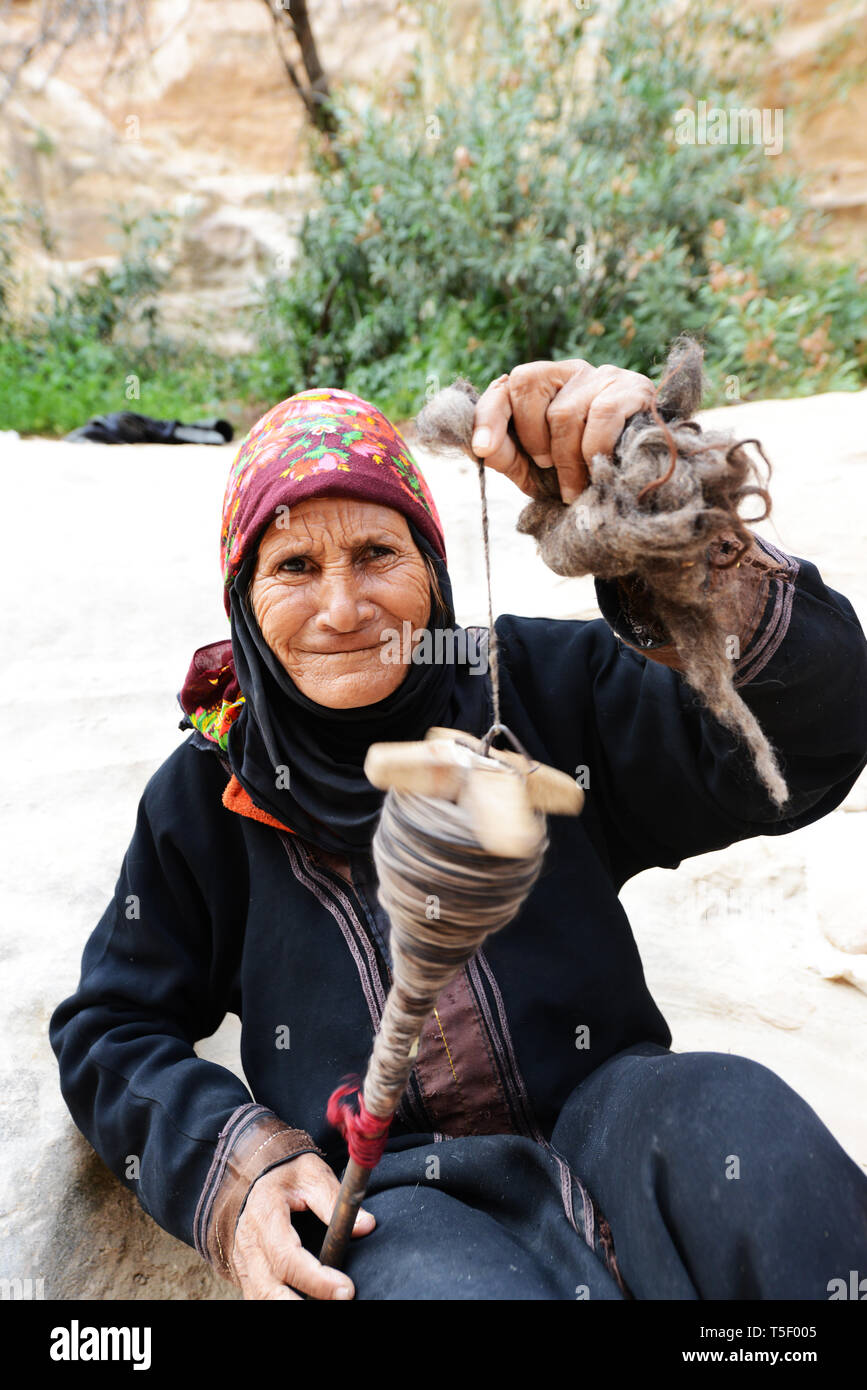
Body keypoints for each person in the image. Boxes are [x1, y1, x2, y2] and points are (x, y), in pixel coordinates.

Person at [50, 361, 867, 1301]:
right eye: (294, 567)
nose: (344, 609)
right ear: (242, 597)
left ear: (432, 568)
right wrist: (239, 1170)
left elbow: (798, 751)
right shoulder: (209, 793)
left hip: (614, 1111)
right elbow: (110, 1028)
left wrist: (676, 525)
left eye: (375, 556)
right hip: (390, 1199)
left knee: (743, 1130)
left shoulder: (532, 689)